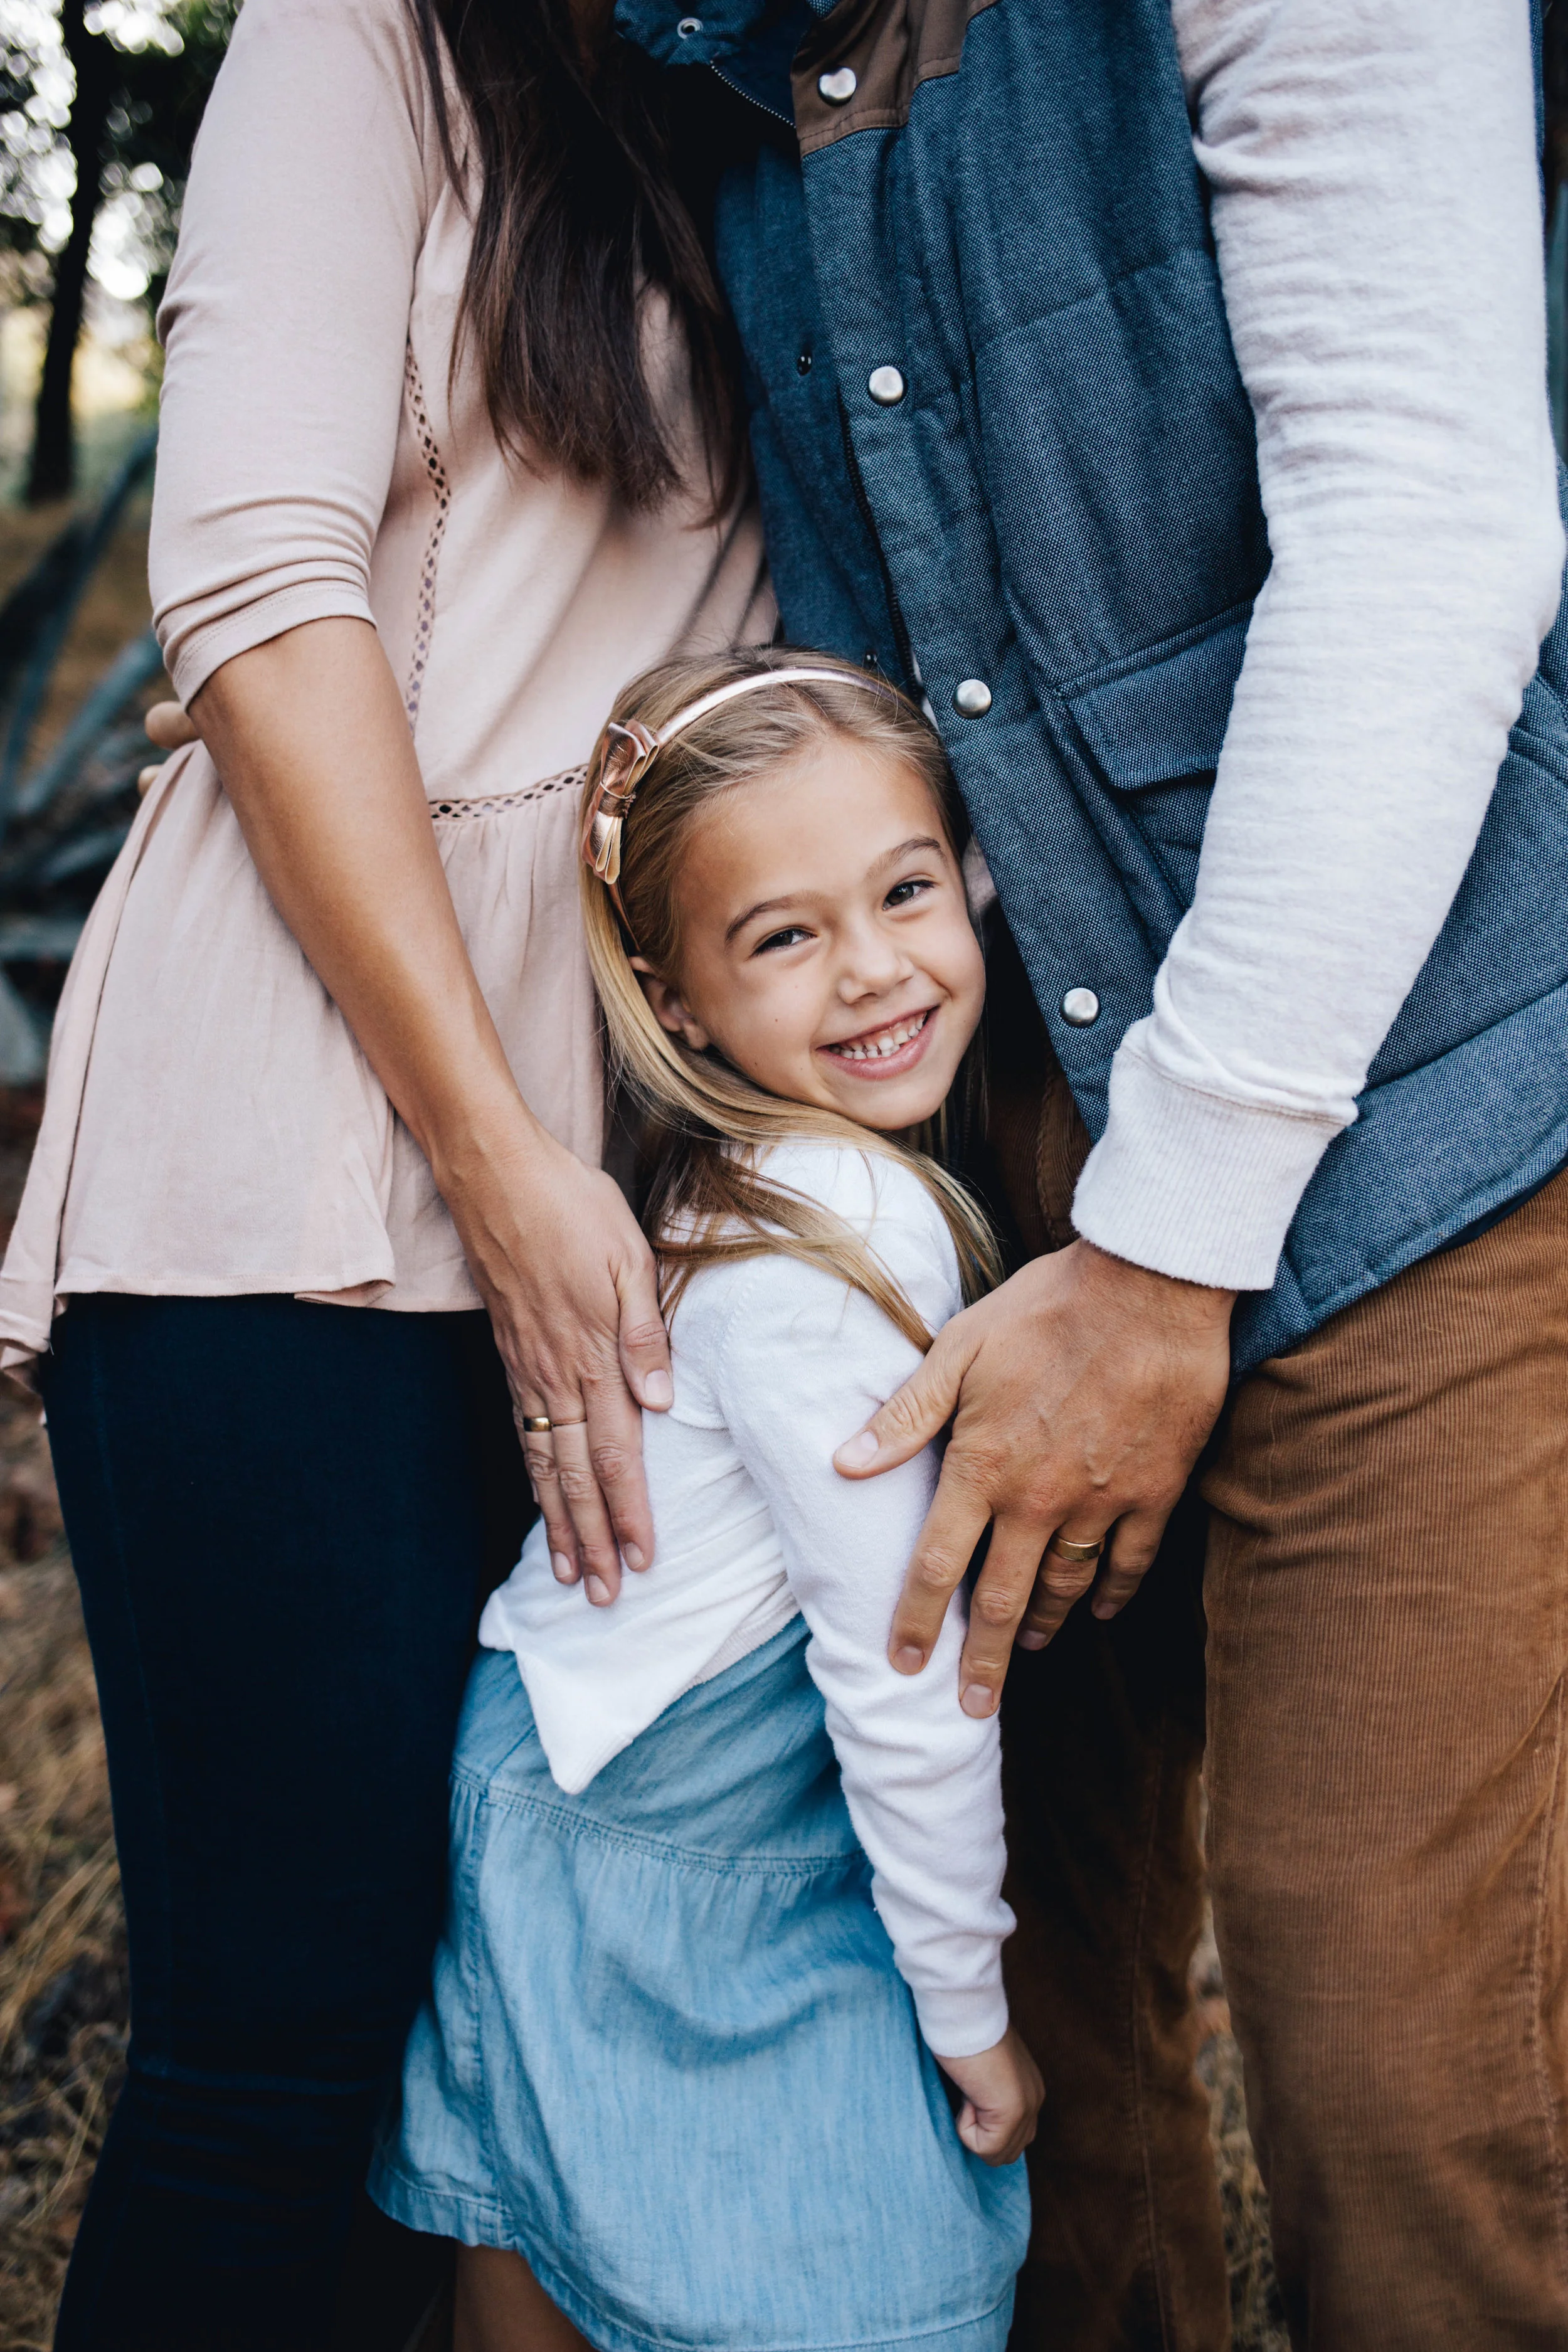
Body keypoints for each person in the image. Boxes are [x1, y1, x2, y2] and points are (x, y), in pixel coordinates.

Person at [603, 3, 1568, 2346]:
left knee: (1392, 2061)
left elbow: (1429, 524)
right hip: (992, 1185)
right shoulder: (698, 86)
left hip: (1416, 1117)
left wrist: (1161, 1249)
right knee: (1038, 2037)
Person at [0, 1, 771, 2343]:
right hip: (305, 1154)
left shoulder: (772, 91)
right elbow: (251, 586)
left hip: (634, 1185)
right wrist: (504, 1159)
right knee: (283, 2044)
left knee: (499, 2033)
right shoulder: (362, 42)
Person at [370, 645, 1037, 2352]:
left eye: (903, 888)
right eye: (784, 934)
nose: (875, 967)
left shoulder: (767, 1176)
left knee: (535, 2204)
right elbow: (902, 1671)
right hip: (659, 1827)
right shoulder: (845, 1228)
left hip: (554, 1759)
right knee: (855, 2274)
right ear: (676, 1002)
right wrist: (967, 2004)